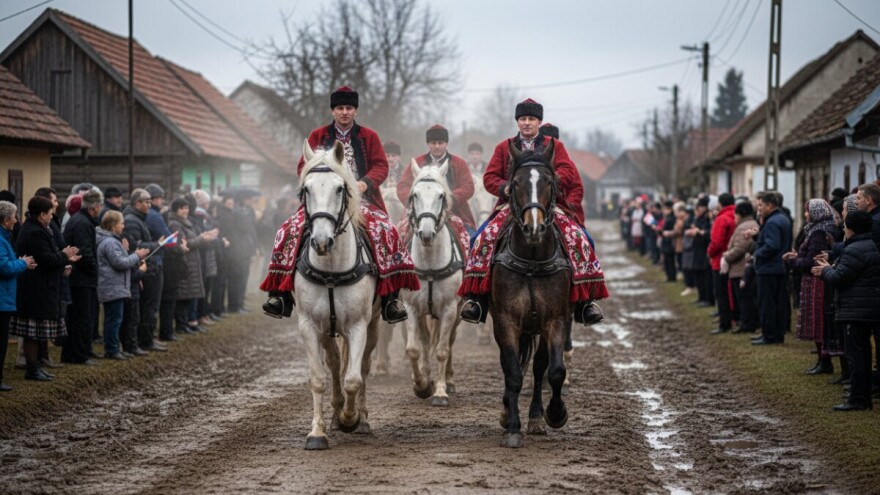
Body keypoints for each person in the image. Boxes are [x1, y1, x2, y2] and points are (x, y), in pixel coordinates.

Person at [261, 86, 419, 322]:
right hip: (323, 201)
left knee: (386, 230)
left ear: (355, 110)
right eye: (339, 108)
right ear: (333, 110)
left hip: (361, 200)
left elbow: (380, 166)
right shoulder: (317, 136)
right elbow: (302, 167)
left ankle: (390, 298)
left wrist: (365, 183)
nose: (344, 112)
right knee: (288, 230)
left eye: (349, 108)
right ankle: (280, 293)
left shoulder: (369, 136)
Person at [458, 98, 608, 325]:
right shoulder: (504, 147)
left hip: (549, 205)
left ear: (540, 122)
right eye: (522, 119)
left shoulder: (555, 146)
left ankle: (586, 301)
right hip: (513, 205)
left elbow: (568, 170)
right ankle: (477, 299)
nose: (527, 123)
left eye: (531, 119)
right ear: (517, 121)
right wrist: (505, 188)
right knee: (479, 238)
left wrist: (551, 180)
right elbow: (490, 178)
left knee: (583, 238)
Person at [813, 210, 880, 411]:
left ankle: (858, 398)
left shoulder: (854, 250)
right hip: (867, 309)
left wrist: (825, 269)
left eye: (844, 226)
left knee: (857, 356)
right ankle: (862, 396)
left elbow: (839, 278)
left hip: (856, 310)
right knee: (864, 354)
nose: (843, 229)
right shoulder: (871, 246)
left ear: (850, 229)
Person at [12, 197, 80, 379]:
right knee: (31, 333)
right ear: (42, 214)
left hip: (40, 288)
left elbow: (49, 257)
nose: (52, 216)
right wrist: (64, 256)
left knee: (36, 332)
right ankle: (32, 369)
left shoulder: (38, 228)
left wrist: (63, 260)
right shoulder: (35, 232)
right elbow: (47, 259)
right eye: (50, 213)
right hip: (35, 290)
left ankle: (36, 366)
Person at [782, 199, 842, 373]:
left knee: (819, 322)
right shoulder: (827, 228)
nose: (806, 215)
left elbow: (811, 262)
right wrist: (798, 255)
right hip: (821, 279)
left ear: (817, 213)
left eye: (808, 211)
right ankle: (823, 361)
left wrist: (794, 260)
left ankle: (824, 361)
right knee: (822, 322)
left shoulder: (818, 232)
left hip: (817, 282)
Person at [396, 124, 477, 233]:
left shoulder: (459, 163)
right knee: (399, 239)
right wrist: (413, 201)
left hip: (456, 212)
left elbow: (468, 187)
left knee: (472, 241)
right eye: (433, 143)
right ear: (428, 144)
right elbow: (402, 186)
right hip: (419, 213)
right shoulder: (417, 163)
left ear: (446, 143)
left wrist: (451, 199)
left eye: (440, 143)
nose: (437, 146)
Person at [96, 211, 149, 360]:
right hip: (112, 287)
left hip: (114, 287)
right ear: (113, 226)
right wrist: (136, 256)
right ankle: (112, 350)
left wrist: (127, 253)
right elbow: (120, 263)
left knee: (114, 319)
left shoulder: (112, 241)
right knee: (114, 320)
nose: (123, 226)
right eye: (121, 223)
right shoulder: (110, 242)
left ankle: (113, 348)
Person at [122, 188, 167, 354]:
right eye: (146, 202)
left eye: (150, 201)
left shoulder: (139, 218)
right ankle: (146, 340)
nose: (150, 205)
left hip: (145, 268)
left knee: (148, 306)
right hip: (143, 269)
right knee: (148, 306)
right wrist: (157, 244)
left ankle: (146, 338)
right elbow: (135, 246)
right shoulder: (133, 221)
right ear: (137, 203)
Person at [62, 190, 103, 364]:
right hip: (81, 279)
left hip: (81, 278)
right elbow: (85, 251)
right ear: (94, 207)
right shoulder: (82, 223)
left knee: (83, 316)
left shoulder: (82, 220)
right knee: (81, 317)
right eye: (99, 205)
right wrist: (95, 270)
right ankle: (77, 355)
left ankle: (82, 351)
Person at [166, 198, 215, 334]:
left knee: (189, 295)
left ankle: (188, 322)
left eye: (187, 208)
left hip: (192, 262)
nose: (185, 211)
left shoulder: (185, 222)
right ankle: (182, 325)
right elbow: (185, 244)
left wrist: (202, 236)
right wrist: (202, 239)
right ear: (176, 209)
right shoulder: (175, 224)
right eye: (182, 208)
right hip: (184, 262)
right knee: (183, 296)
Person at [0, 201, 35, 390]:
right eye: (14, 216)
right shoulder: (0, 239)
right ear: (6, 220)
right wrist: (22, 263)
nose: (16, 220)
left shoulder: (4, 237)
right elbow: (3, 266)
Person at [750, 191, 793, 345]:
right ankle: (777, 334)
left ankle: (769, 335)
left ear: (769, 205)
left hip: (769, 268)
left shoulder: (772, 222)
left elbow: (772, 245)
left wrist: (756, 254)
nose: (758, 208)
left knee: (767, 303)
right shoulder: (782, 218)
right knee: (778, 303)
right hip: (779, 267)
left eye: (761, 205)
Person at [723, 201, 759, 334]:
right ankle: (751, 322)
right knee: (749, 298)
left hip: (740, 269)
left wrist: (726, 257)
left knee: (744, 299)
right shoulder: (753, 223)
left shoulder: (743, 227)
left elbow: (739, 248)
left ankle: (747, 324)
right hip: (746, 267)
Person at [707, 193, 737, 334]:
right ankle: (734, 318)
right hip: (735, 258)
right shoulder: (736, 216)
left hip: (720, 260)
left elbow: (716, 241)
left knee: (721, 293)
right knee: (732, 292)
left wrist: (710, 252)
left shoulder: (722, 218)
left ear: (720, 204)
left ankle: (724, 323)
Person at [685, 196, 712, 307]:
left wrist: (699, 232)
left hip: (704, 249)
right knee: (698, 274)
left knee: (705, 275)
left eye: (700, 207)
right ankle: (701, 297)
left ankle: (707, 298)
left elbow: (708, 233)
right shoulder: (697, 218)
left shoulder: (707, 219)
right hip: (696, 249)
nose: (698, 209)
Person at [660, 200, 677, 282]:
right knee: (667, 261)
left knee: (670, 261)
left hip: (669, 242)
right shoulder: (668, 218)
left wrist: (662, 231)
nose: (663, 211)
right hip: (666, 241)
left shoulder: (671, 219)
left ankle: (672, 277)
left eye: (665, 209)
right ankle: (669, 276)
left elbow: (669, 230)